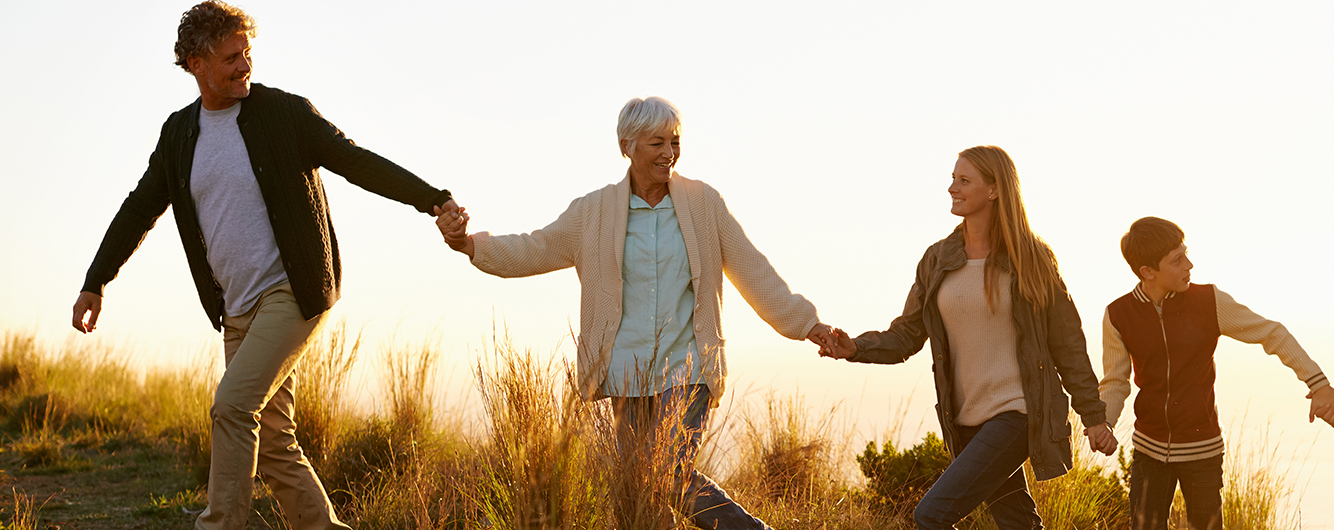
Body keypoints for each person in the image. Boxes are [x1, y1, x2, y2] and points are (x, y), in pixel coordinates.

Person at [69, 3, 460, 529]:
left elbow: (356, 160)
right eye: (231, 57)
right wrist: (96, 280)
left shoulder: (285, 113)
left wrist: (432, 200)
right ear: (195, 63)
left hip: (292, 293)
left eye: (247, 53)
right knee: (274, 444)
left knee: (232, 406)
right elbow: (140, 207)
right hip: (237, 309)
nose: (243, 66)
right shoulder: (180, 133)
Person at [434, 96, 832, 530]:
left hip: (688, 368)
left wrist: (806, 324)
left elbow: (752, 269)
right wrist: (471, 245)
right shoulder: (594, 211)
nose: (669, 152)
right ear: (627, 145)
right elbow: (537, 247)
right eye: (657, 142)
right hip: (627, 372)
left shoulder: (703, 204)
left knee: (668, 474)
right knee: (639, 495)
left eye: (675, 141)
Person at [819, 145, 1118, 530]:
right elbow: (908, 334)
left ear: (994, 190)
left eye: (964, 180)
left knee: (931, 515)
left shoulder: (1033, 258)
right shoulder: (937, 259)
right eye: (952, 179)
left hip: (1016, 414)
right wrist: (856, 347)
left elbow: (1068, 344)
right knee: (1018, 524)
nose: (952, 188)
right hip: (966, 421)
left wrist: (1093, 417)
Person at [1099, 216, 1334, 530]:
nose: (1189, 264)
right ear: (1148, 272)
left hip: (1203, 451)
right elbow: (1115, 382)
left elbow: (1273, 333)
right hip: (1149, 451)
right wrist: (1103, 421)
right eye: (1177, 260)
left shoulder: (1208, 301)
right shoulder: (1119, 314)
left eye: (1185, 253)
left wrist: (1319, 385)